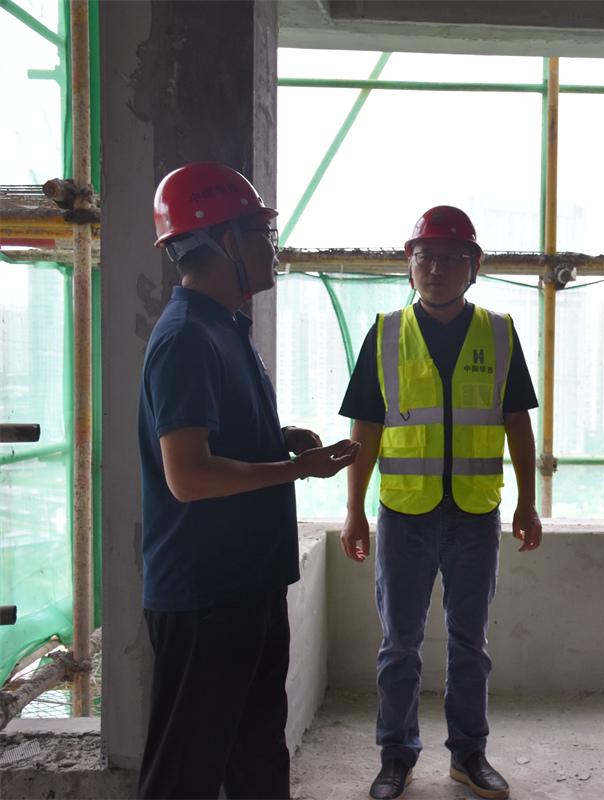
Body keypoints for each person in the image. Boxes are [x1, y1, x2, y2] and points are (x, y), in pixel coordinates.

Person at [138, 162, 360, 799]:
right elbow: (188, 475)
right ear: (227, 242)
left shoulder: (225, 327)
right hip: (206, 601)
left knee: (257, 763)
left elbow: (214, 437)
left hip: (248, 588)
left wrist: (277, 438)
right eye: (263, 233)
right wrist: (297, 469)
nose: (273, 248)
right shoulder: (186, 338)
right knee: (184, 778)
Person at [339, 205, 542, 800]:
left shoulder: (499, 333)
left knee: (469, 643)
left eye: (452, 257)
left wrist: (528, 503)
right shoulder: (385, 333)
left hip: (476, 514)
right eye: (425, 256)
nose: (436, 268)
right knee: (399, 644)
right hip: (404, 514)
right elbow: (365, 429)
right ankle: (396, 757)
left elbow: (517, 423)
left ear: (474, 267)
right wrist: (354, 509)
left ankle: (468, 755)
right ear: (410, 265)